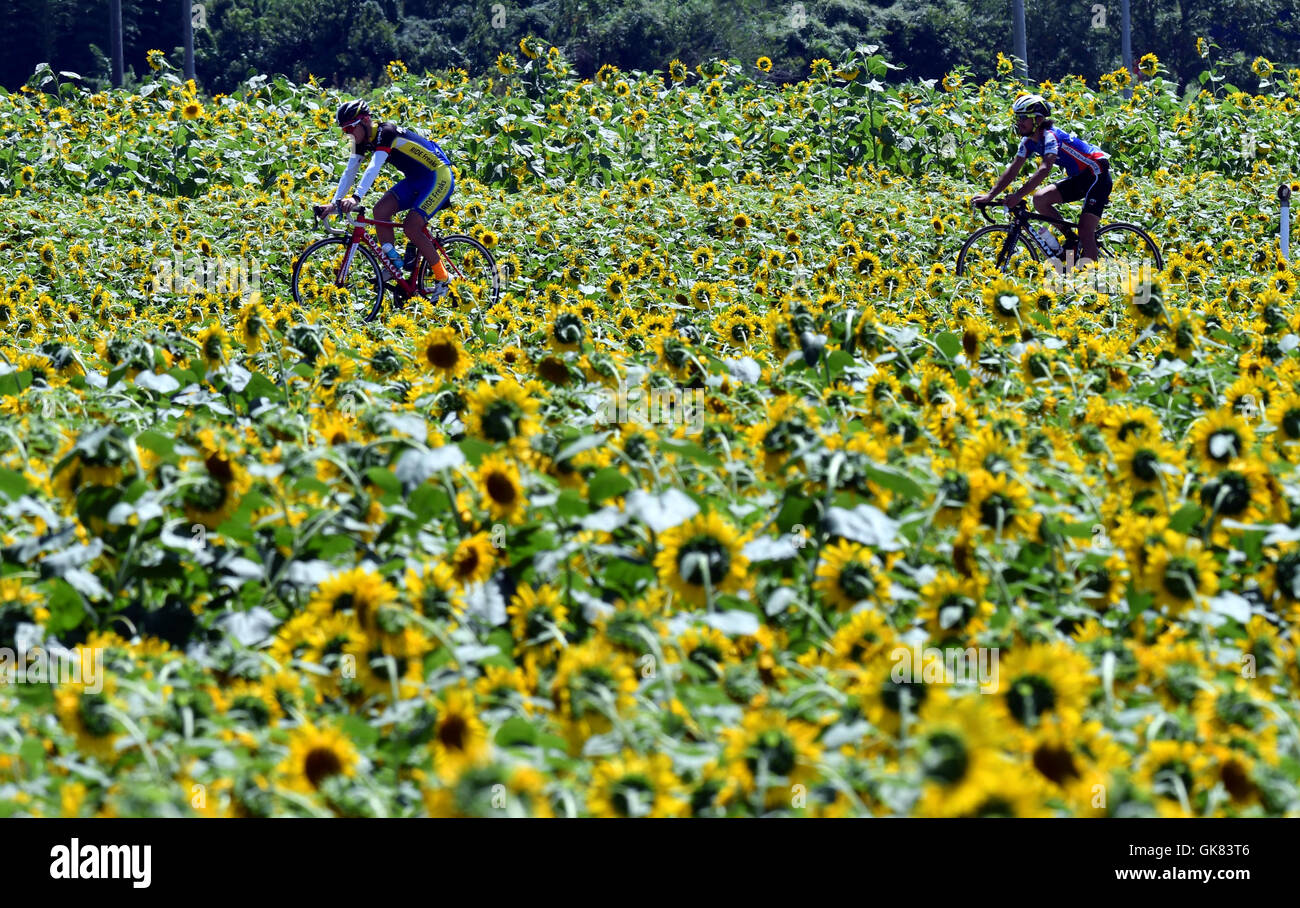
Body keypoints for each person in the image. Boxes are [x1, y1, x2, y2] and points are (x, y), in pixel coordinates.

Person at [313, 99, 454, 294]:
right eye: (345, 132)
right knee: (380, 211)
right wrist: (334, 203)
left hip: (438, 176)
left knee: (411, 226)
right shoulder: (362, 141)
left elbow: (373, 167)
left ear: (365, 121)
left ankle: (444, 277)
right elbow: (350, 171)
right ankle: (394, 264)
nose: (349, 135)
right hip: (415, 179)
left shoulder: (385, 132)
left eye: (350, 129)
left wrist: (355, 198)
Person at [974, 93, 1111, 265]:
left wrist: (1018, 196)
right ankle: (1070, 238)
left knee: (1085, 230)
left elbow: (1045, 169)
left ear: (1038, 120)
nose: (1019, 122)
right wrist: (989, 196)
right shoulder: (1027, 141)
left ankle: (1093, 281)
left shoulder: (1050, 137)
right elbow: (1012, 170)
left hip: (1098, 174)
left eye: (1023, 117)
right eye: (1017, 117)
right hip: (1080, 177)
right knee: (1040, 199)